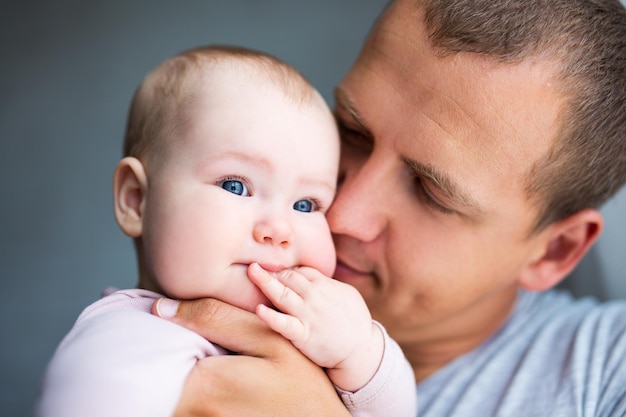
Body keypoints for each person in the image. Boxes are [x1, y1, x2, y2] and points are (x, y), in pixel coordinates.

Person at [152, 0, 626, 416]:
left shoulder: (608, 376)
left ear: (554, 251)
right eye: (352, 132)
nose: (339, 216)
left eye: (429, 192)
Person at [33, 45, 417, 417]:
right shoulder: (126, 341)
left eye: (306, 205)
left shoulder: (321, 338)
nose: (279, 230)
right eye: (236, 185)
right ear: (137, 200)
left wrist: (360, 351)